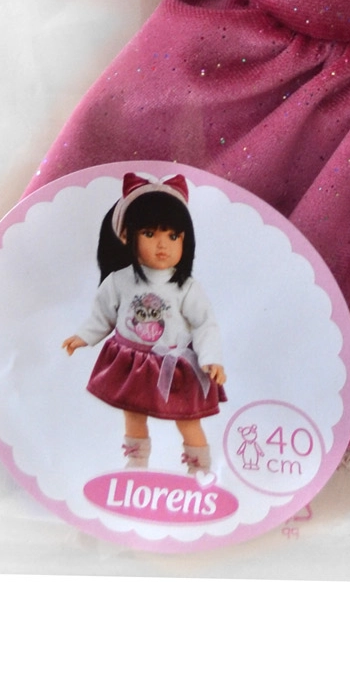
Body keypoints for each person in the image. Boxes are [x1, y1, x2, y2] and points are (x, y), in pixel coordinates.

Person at [63, 173, 226, 476]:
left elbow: (205, 324)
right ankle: (136, 464)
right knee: (134, 415)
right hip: (132, 363)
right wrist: (83, 336)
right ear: (127, 236)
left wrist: (210, 358)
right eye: (150, 234)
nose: (162, 245)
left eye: (173, 236)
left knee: (187, 420)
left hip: (175, 365)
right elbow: (103, 316)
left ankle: (200, 469)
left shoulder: (186, 286)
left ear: (185, 239)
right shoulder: (119, 281)